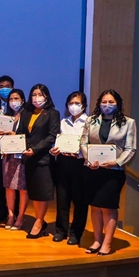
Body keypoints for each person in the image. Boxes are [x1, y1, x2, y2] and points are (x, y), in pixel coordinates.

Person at [81, 90, 137, 256]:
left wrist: (117, 162)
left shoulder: (128, 122)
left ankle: (107, 243)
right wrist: (89, 159)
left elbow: (130, 148)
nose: (107, 105)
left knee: (108, 207)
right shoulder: (91, 120)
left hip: (113, 171)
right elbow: (83, 142)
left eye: (111, 102)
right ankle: (97, 240)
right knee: (95, 206)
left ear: (117, 104)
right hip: (93, 170)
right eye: (104, 102)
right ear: (99, 103)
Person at [17, 84, 61, 239]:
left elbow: (51, 136)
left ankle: (39, 222)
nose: (37, 98)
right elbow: (21, 133)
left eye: (40, 95)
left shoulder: (53, 113)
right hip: (28, 159)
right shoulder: (26, 112)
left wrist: (34, 149)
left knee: (42, 192)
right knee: (34, 192)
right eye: (34, 94)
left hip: (43, 159)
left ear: (46, 97)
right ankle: (39, 220)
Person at [51, 91, 89, 245]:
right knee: (62, 198)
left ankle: (76, 233)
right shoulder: (63, 122)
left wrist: (80, 153)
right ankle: (61, 230)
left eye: (77, 103)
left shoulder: (89, 122)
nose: (74, 106)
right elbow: (56, 142)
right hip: (63, 162)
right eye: (71, 103)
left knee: (80, 201)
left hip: (80, 164)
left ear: (84, 105)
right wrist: (54, 150)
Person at [0, 88, 28, 231]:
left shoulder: (27, 116)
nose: (13, 102)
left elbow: (30, 136)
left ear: (23, 100)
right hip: (8, 155)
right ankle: (10, 215)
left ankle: (20, 217)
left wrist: (15, 134)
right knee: (9, 186)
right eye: (11, 99)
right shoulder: (6, 117)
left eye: (16, 99)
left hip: (22, 156)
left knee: (22, 188)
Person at [0, 75, 15, 223]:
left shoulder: (18, 108)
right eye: (1, 87)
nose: (4, 89)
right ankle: (0, 211)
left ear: (13, 88)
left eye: (7, 86)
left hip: (13, 150)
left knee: (14, 182)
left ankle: (14, 211)